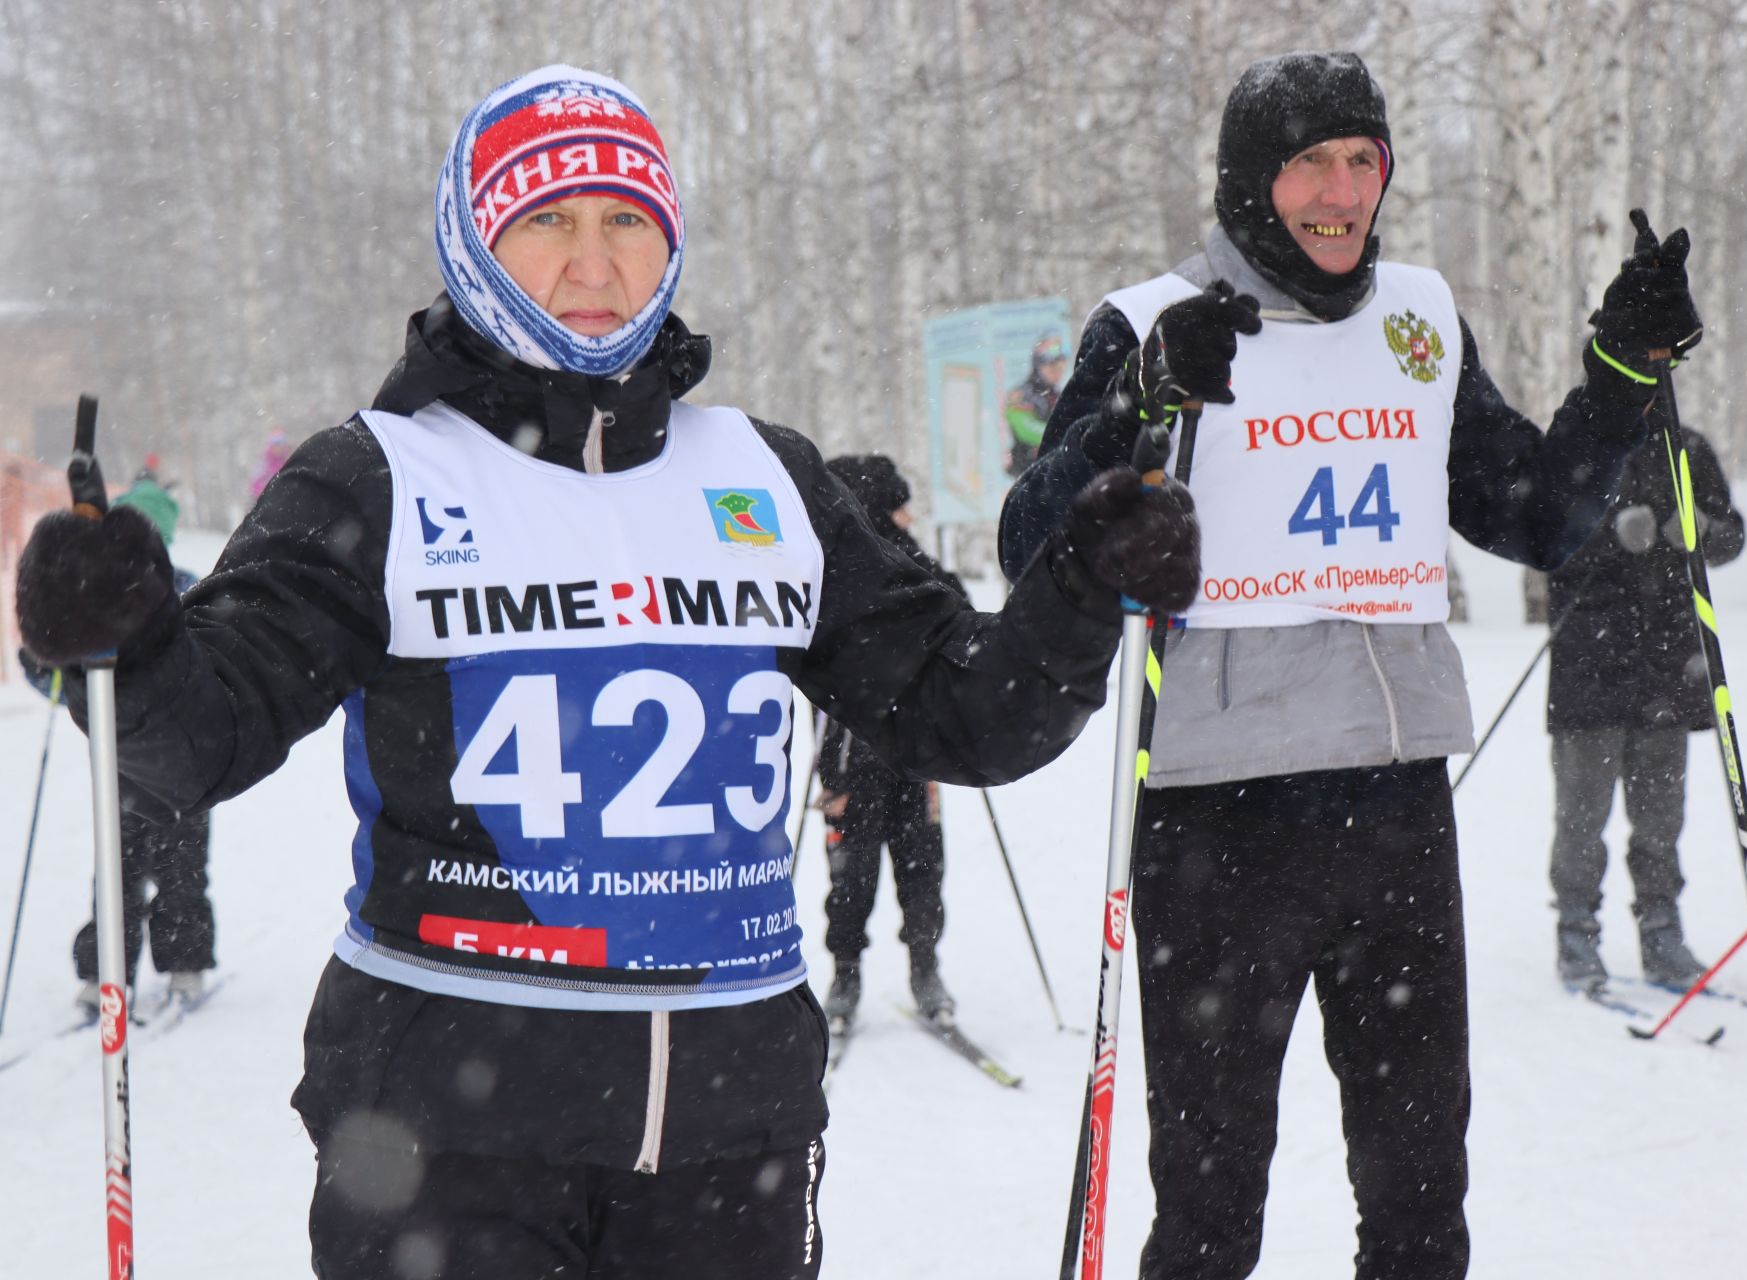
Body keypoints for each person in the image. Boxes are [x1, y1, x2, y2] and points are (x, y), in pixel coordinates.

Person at [14, 65, 1197, 1280]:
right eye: (549, 221)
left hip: (732, 1135)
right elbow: (203, 735)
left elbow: (967, 712)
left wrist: (1078, 583)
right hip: (448, 1137)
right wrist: (123, 635)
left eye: (627, 219)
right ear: (475, 241)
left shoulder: (763, 476)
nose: (595, 262)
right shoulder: (382, 476)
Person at [998, 52, 1701, 1280]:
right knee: (1213, 1211)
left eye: (1361, 160)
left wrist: (1622, 380)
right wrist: (1135, 408)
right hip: (1219, 817)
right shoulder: (1153, 316)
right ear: (1250, 179)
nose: (1339, 192)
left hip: (1393, 803)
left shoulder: (1419, 317)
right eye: (1308, 163)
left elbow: (1532, 513)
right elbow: (1029, 540)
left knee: (1424, 1196)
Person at [1546, 421, 1743, 991]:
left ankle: (1662, 931)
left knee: (1661, 818)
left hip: (1667, 666)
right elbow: (1543, 541)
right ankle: (1576, 933)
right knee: (1582, 816)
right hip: (1589, 665)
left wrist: (1702, 529)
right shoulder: (1578, 444)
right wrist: (1607, 533)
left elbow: (1731, 534)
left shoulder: (1689, 449)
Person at [812, 453, 966, 1026]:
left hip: (915, 756)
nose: (907, 516)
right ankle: (845, 977)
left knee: (923, 868)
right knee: (851, 877)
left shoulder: (913, 563)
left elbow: (958, 610)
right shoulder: (834, 568)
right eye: (898, 505)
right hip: (851, 760)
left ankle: (926, 970)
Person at [67, 470, 218, 1007]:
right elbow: (68, 667)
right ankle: (108, 970)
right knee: (122, 862)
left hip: (180, 754)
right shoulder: (98, 592)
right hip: (127, 755)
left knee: (171, 860)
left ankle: (181, 964)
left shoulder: (186, 586)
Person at [1005, 334, 1069, 476]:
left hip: (1055, 470)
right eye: (1052, 366)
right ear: (1038, 365)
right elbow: (1026, 429)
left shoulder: (1061, 395)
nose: (1057, 372)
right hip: (1027, 472)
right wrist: (1063, 435)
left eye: (1060, 367)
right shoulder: (1021, 394)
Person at [248, 426, 291, 502]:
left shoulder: (287, 460)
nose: (279, 448)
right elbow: (255, 484)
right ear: (272, 445)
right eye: (277, 444)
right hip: (268, 502)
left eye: (281, 444)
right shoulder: (265, 463)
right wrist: (268, 491)